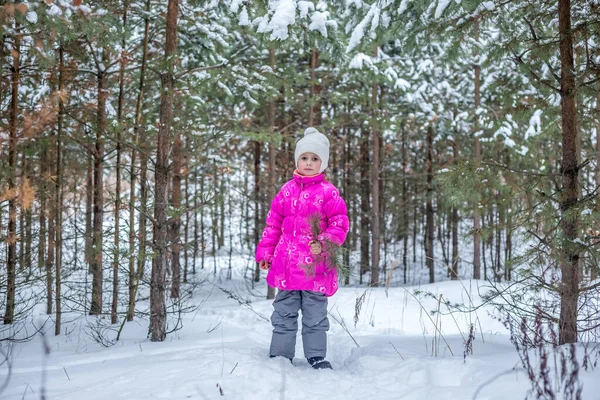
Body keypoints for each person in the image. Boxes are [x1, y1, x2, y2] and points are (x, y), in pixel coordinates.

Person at [256, 127, 349, 370]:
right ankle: (280, 355)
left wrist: (325, 242)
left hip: (314, 268)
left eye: (315, 158)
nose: (309, 163)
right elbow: (273, 223)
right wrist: (266, 252)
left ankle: (316, 356)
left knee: (315, 316)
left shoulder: (329, 193)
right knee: (283, 313)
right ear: (297, 159)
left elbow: (340, 223)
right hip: (286, 267)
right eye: (304, 157)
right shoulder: (286, 191)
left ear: (323, 163)